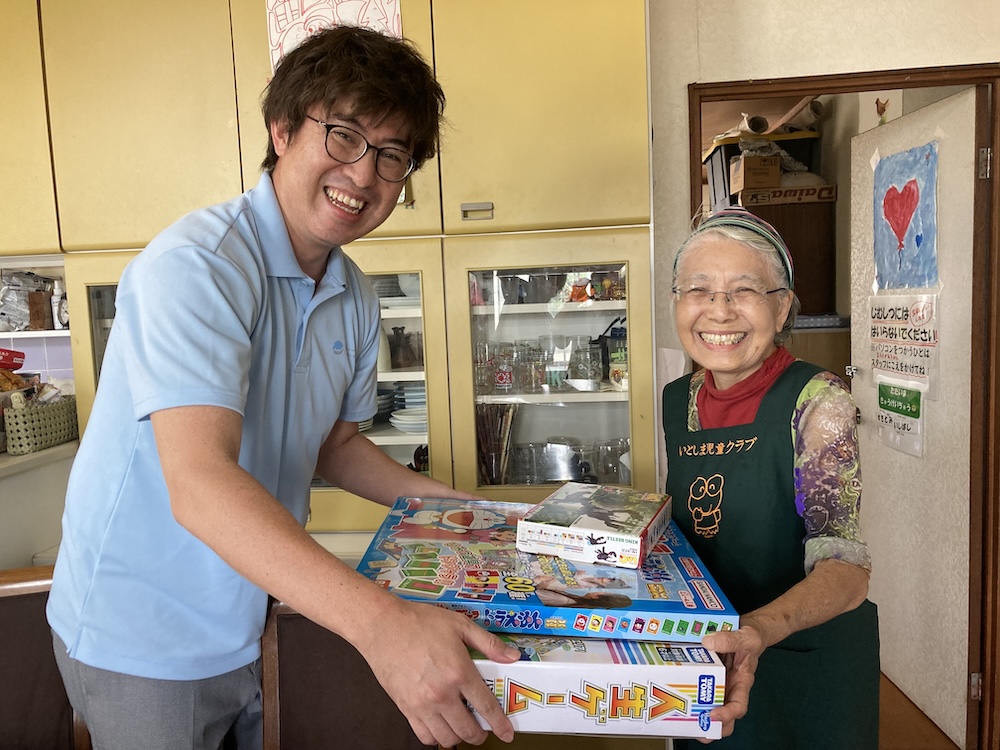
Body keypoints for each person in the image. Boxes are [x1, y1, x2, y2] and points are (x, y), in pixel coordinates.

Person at [46, 25, 519, 750]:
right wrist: (383, 626)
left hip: (255, 607)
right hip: (143, 631)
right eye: (344, 136)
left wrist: (465, 512)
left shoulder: (354, 294)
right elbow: (199, 480)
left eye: (392, 155)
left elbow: (334, 445)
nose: (363, 174)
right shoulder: (197, 267)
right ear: (282, 129)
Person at [662, 207, 879, 749]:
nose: (719, 311)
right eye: (699, 290)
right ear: (677, 302)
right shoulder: (678, 399)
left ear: (781, 308)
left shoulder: (818, 402)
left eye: (745, 290)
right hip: (706, 652)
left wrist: (757, 629)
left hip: (798, 659)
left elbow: (847, 570)